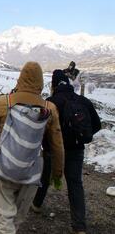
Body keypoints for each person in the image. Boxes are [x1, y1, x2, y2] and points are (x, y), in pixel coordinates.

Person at [0, 62, 64, 234]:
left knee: (3, 216)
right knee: (17, 217)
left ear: (20, 78)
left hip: (3, 168)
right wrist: (57, 173)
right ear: (40, 83)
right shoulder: (49, 109)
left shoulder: (4, 102)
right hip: (31, 171)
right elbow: (57, 146)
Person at [32, 69, 101, 234]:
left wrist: (46, 144)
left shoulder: (50, 102)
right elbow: (96, 125)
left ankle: (36, 204)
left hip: (53, 150)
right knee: (75, 184)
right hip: (76, 150)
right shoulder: (83, 101)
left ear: (54, 85)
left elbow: (41, 127)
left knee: (46, 177)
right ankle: (79, 226)